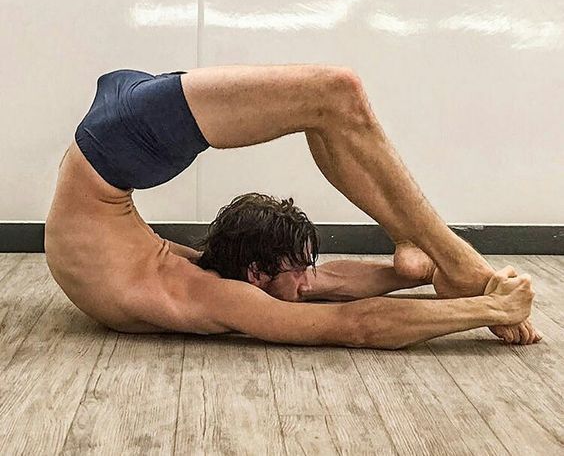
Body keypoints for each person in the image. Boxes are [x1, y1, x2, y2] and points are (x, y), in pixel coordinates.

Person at [45, 65, 540, 349]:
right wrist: (489, 306)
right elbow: (356, 325)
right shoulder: (222, 295)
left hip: (112, 148)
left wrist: (408, 275)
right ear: (257, 273)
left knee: (333, 101)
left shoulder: (221, 276)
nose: (309, 282)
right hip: (114, 141)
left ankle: (426, 248)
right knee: (336, 94)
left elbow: (328, 283)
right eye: (298, 269)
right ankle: (452, 257)